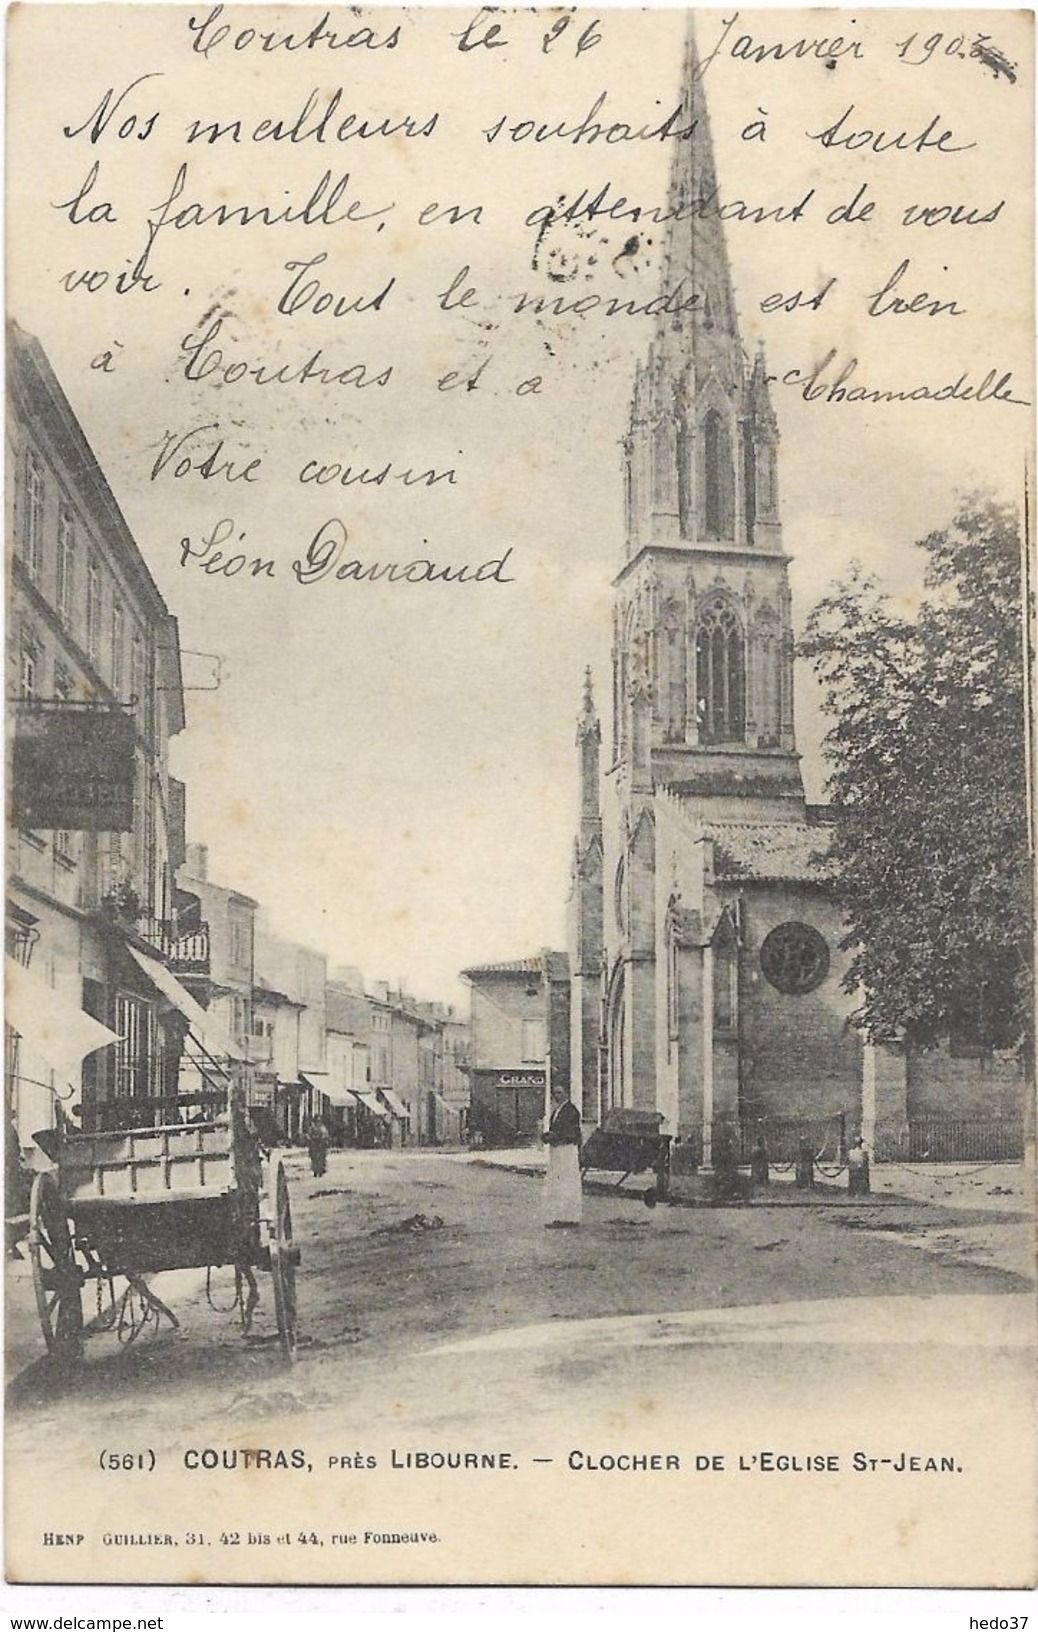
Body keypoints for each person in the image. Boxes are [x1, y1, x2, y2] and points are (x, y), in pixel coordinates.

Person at [541, 1098, 583, 1228]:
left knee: (567, 1180)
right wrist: (547, 1136)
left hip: (567, 1149)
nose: (557, 1096)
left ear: (566, 1093)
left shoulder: (571, 1110)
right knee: (557, 1181)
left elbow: (570, 1131)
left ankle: (569, 1217)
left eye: (560, 1092)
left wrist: (554, 1136)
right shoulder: (557, 1111)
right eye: (555, 1093)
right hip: (558, 1150)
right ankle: (560, 1216)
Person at [306, 1114, 329, 1178]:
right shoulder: (312, 1128)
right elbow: (309, 1135)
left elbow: (325, 1135)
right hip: (314, 1145)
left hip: (321, 1145)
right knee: (315, 1159)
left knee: (321, 1158)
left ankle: (320, 1171)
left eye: (319, 1121)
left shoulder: (323, 1128)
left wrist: (324, 1141)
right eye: (317, 1121)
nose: (318, 1122)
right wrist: (311, 1140)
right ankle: (315, 1171)